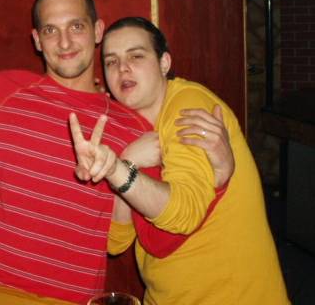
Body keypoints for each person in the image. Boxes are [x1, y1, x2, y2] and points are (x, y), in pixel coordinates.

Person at [0, 0, 233, 303]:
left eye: (76, 27)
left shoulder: (132, 128)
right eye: (51, 30)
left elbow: (154, 242)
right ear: (37, 40)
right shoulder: (0, 92)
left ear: (97, 31)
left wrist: (215, 178)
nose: (64, 43)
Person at [71, 17, 288, 304]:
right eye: (111, 61)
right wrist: (128, 160)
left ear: (164, 63)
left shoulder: (189, 108)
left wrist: (118, 168)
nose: (122, 68)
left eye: (136, 56)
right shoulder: (127, 129)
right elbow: (116, 241)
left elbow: (182, 214)